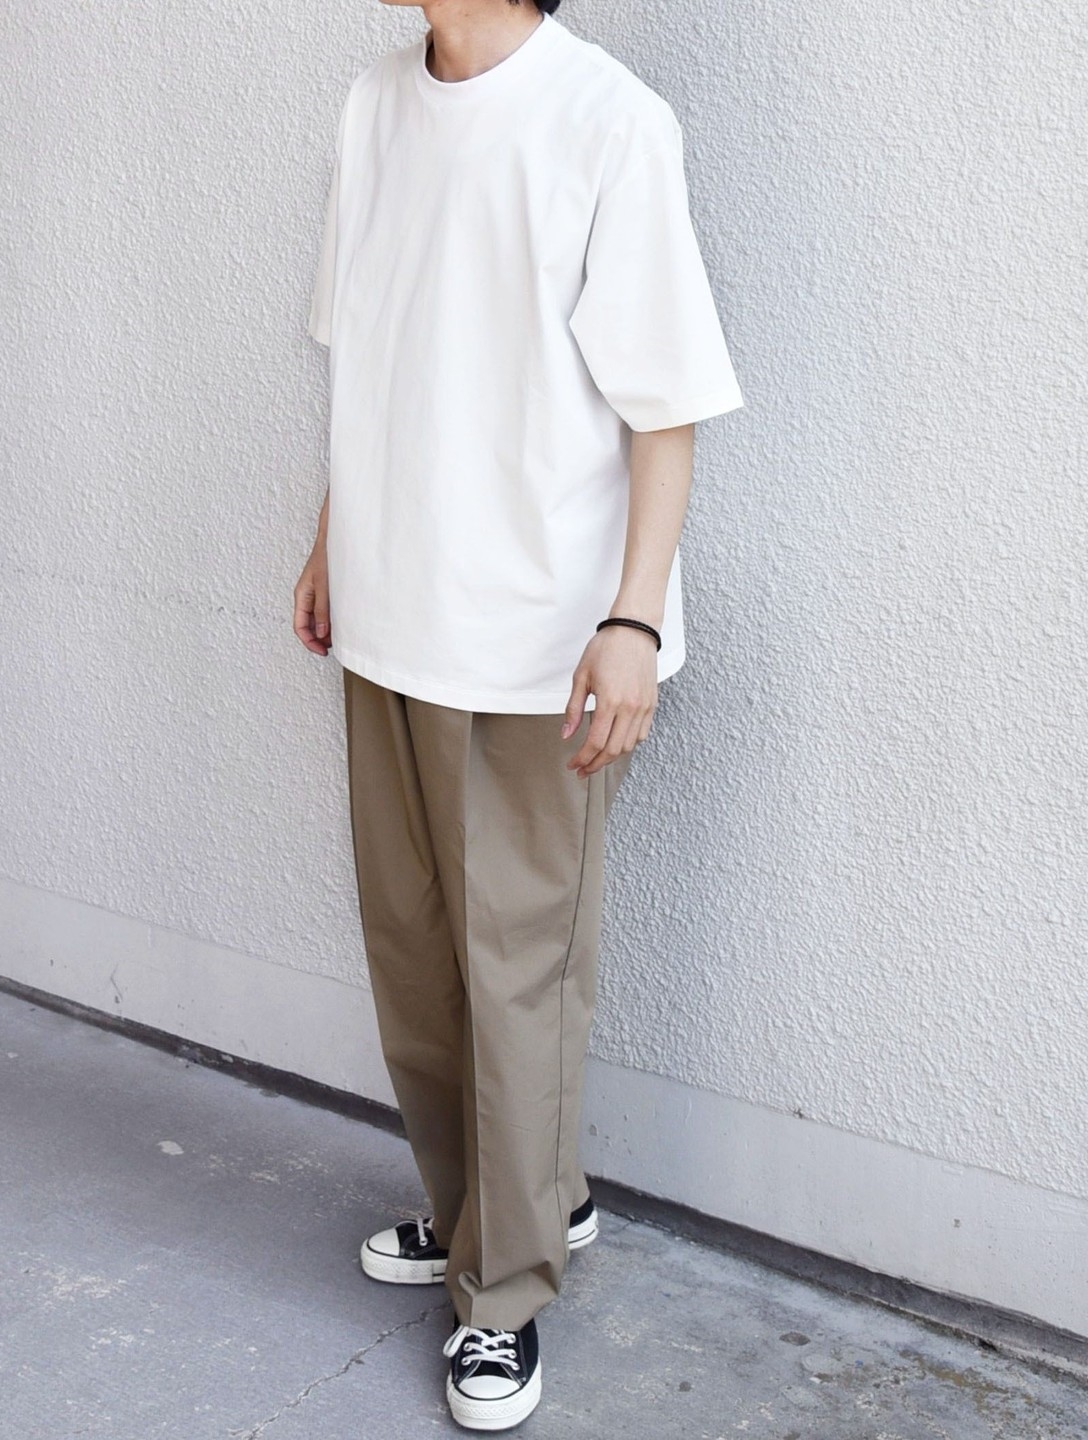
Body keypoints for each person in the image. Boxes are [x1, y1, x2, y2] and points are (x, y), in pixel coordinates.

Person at [294, 0, 743, 1427]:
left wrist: (635, 620)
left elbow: (663, 406)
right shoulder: (375, 104)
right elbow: (368, 351)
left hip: (542, 639)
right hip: (392, 613)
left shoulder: (609, 121)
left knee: (516, 968)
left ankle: (503, 1292)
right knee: (416, 950)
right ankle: (490, 1201)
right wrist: (332, 538)